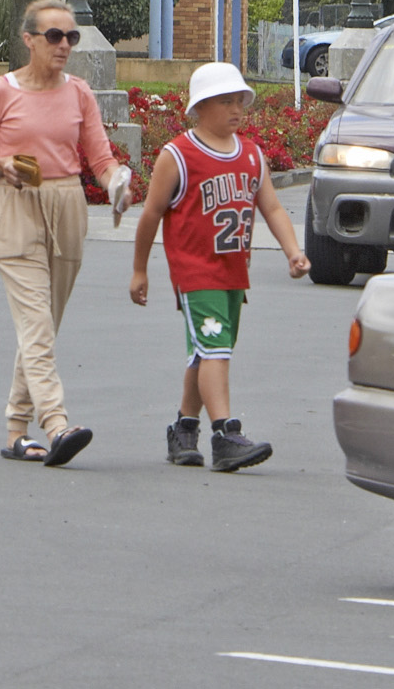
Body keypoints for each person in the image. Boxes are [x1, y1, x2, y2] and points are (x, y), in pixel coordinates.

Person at [0, 0, 128, 466]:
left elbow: (99, 158)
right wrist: (0, 164)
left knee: (43, 326)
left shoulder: (79, 93)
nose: (64, 45)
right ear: (29, 39)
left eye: (70, 37)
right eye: (54, 36)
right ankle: (57, 424)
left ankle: (17, 429)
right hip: (17, 205)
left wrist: (117, 183)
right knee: (36, 322)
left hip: (67, 204)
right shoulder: (1, 91)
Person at [127, 60, 307, 471]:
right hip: (195, 272)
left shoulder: (251, 155)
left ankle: (183, 430)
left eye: (240, 100)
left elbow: (273, 208)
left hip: (233, 274)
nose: (236, 109)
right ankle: (225, 435)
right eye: (225, 101)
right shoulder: (178, 155)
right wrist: (141, 269)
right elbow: (151, 214)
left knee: (207, 352)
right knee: (216, 352)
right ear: (199, 107)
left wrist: (292, 251)